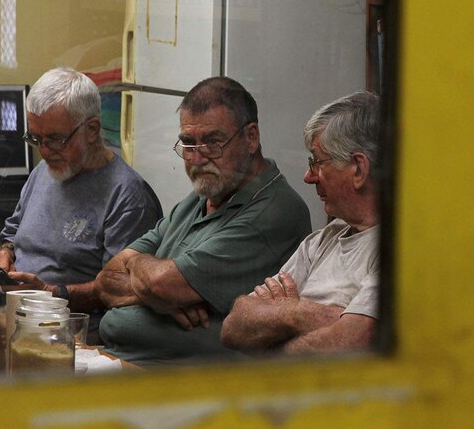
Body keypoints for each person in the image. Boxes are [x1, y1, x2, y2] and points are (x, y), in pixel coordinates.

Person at [94, 77, 312, 365]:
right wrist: (158, 298)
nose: (196, 159)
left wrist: (139, 267)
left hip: (191, 385)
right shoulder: (201, 197)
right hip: (117, 361)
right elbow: (105, 282)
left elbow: (161, 284)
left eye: (212, 142)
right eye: (187, 143)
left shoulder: (274, 211)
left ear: (251, 137)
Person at [0, 67, 163, 343]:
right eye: (37, 138)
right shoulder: (44, 172)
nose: (45, 151)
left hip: (75, 338)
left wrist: (50, 293)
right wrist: (5, 252)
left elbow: (122, 291)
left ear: (92, 129)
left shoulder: (128, 197)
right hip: (17, 319)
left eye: (56, 139)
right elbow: (13, 233)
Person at [220, 91, 380, 354]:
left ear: (359, 169)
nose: (308, 177)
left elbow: (352, 341)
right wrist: (296, 313)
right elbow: (234, 325)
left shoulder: (402, 248)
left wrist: (274, 327)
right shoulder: (323, 239)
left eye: (316, 162)